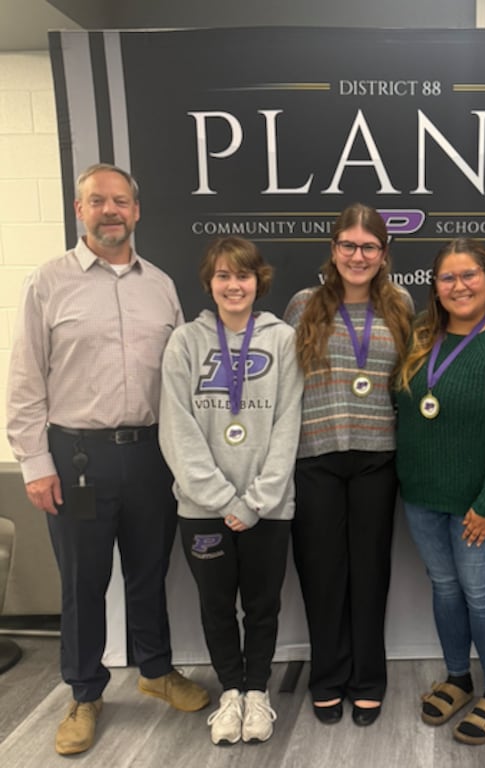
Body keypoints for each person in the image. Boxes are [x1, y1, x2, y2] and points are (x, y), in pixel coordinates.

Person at [5, 163, 209, 756]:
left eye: (120, 201)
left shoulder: (160, 285)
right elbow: (25, 380)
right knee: (83, 581)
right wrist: (35, 463)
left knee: (150, 572)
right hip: (78, 460)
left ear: (136, 211)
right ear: (80, 210)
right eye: (98, 201)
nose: (110, 211)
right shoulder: (48, 283)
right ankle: (84, 692)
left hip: (150, 455)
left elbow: (180, 376)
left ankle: (156, 671)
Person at [395, 238, 485, 745]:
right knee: (445, 588)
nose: (459, 286)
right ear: (435, 287)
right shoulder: (421, 334)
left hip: (484, 502)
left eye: (468, 275)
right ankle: (458, 677)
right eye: (448, 278)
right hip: (423, 496)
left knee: (481, 594)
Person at [158, 236, 302, 745]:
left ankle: (257, 691)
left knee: (263, 605)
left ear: (259, 281)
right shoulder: (185, 342)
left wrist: (257, 501)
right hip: (203, 508)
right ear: (209, 282)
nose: (233, 285)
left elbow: (289, 424)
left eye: (243, 275)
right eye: (223, 275)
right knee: (216, 606)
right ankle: (231, 692)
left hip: (268, 507)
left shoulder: (283, 340)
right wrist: (222, 499)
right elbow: (176, 427)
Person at [284, 203, 413, 727]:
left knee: (370, 573)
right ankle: (327, 677)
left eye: (369, 247)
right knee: (322, 574)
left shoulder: (400, 304)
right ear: (333, 248)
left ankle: (368, 680)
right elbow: (286, 384)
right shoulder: (303, 305)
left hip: (377, 458)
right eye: (348, 245)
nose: (358, 257)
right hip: (314, 455)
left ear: (384, 252)